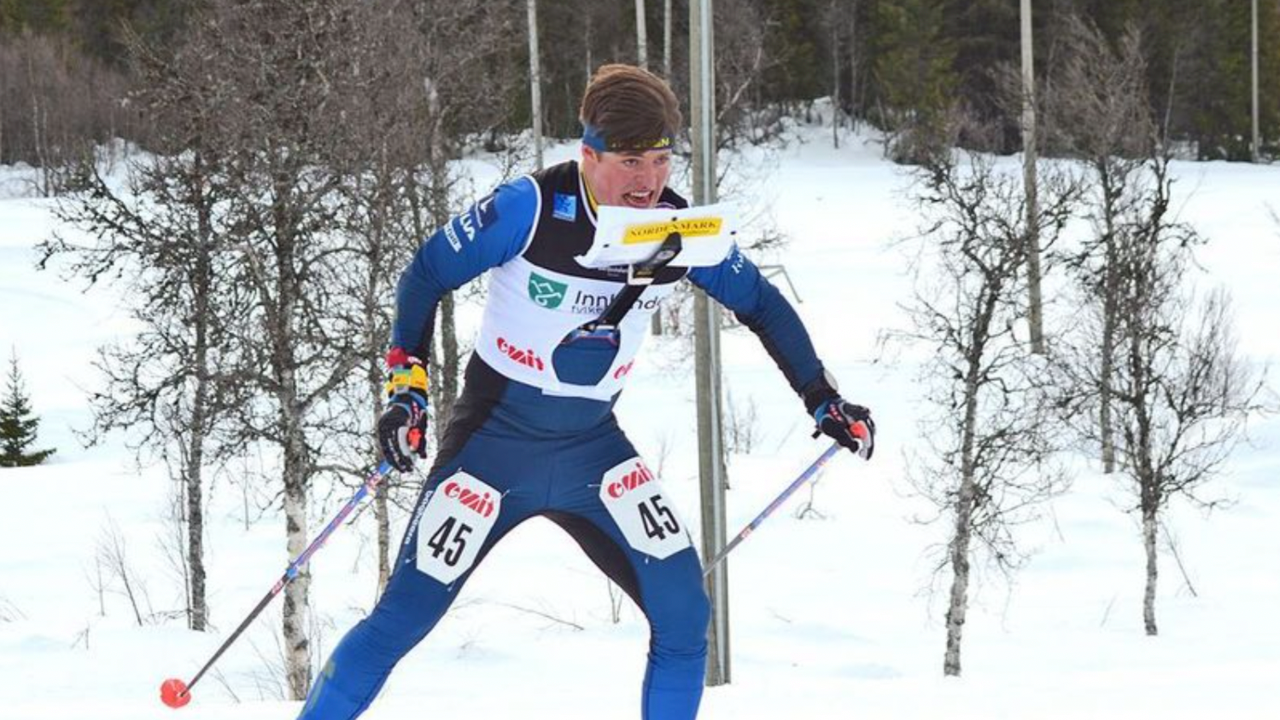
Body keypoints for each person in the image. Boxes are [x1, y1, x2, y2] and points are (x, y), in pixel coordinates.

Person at [298, 63, 875, 720]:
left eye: (661, 159)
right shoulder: (530, 209)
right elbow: (427, 274)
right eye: (631, 161)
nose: (650, 180)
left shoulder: (678, 229)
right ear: (588, 155)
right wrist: (409, 390)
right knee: (400, 621)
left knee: (686, 618)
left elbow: (764, 305)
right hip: (492, 449)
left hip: (591, 452)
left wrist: (822, 400)